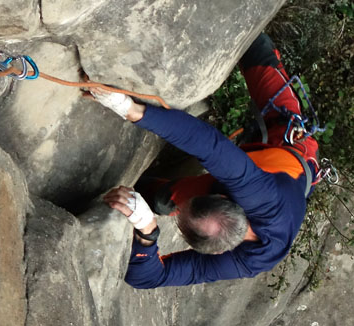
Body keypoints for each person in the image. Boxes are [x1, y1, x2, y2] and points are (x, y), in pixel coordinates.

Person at [94, 33, 320, 288]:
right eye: (186, 207)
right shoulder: (260, 196)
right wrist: (131, 110)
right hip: (290, 150)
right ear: (223, 197)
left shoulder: (248, 261)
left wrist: (147, 230)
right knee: (259, 58)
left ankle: (148, 192)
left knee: (156, 199)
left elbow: (149, 278)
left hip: (259, 181)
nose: (181, 207)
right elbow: (208, 144)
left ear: (216, 253)